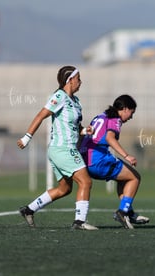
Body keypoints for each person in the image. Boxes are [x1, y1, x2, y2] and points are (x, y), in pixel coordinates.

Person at [17, 65, 97, 230]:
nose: (80, 82)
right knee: (86, 182)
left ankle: (29, 209)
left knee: (65, 189)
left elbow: (74, 126)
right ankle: (79, 222)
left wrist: (84, 130)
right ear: (69, 80)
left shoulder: (75, 101)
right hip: (63, 149)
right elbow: (41, 115)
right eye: (78, 78)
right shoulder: (59, 96)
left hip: (62, 149)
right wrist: (27, 138)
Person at [78, 94, 149, 229]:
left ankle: (129, 212)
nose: (131, 117)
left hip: (86, 160)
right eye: (131, 113)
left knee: (124, 179)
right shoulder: (115, 119)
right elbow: (110, 138)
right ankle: (122, 212)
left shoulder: (101, 116)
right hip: (98, 160)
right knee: (135, 178)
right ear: (125, 109)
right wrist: (126, 156)